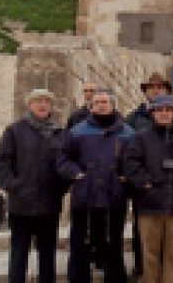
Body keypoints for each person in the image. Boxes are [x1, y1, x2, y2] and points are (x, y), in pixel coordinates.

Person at [124, 95, 173, 283]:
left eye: (168, 110)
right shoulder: (141, 138)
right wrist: (145, 185)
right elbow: (131, 164)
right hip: (149, 207)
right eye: (160, 110)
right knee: (149, 256)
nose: (164, 114)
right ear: (153, 114)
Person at [58, 89, 134, 283]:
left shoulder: (127, 133)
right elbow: (63, 159)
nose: (101, 105)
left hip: (114, 194)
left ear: (112, 105)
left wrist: (126, 176)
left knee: (114, 240)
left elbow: (135, 160)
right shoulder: (77, 131)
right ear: (91, 106)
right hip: (85, 193)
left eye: (105, 101)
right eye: (97, 102)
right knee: (79, 240)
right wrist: (76, 173)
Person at [0, 89, 65, 283]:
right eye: (38, 101)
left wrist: (60, 189)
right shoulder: (14, 131)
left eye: (46, 102)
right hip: (21, 204)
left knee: (47, 255)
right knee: (19, 254)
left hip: (49, 204)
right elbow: (1, 164)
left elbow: (65, 164)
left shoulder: (59, 133)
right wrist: (14, 187)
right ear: (29, 105)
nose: (42, 105)